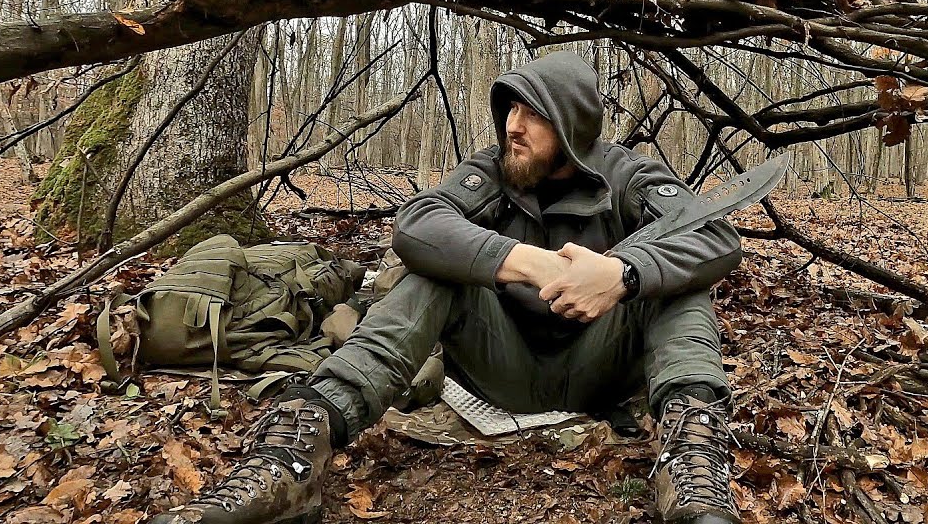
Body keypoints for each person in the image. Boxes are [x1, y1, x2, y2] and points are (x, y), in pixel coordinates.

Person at [150, 51, 745, 524]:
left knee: (681, 282)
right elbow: (418, 224)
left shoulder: (629, 174)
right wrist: (526, 262)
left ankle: (693, 465)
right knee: (433, 269)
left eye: (532, 113)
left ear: (569, 123)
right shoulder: (493, 170)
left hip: (601, 365)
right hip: (502, 367)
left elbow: (716, 237)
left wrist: (621, 273)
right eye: (509, 109)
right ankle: (291, 459)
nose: (512, 125)